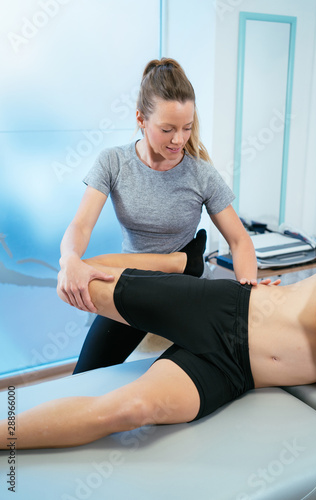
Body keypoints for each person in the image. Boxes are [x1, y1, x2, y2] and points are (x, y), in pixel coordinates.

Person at [57, 57, 267, 374]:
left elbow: (239, 240)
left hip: (186, 291)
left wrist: (248, 286)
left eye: (187, 127)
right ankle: (184, 261)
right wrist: (70, 259)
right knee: (85, 375)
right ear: (141, 119)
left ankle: (185, 264)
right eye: (167, 129)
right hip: (134, 285)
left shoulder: (201, 173)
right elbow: (80, 225)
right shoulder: (113, 162)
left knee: (206, 370)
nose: (179, 140)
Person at [1, 252, 316, 450]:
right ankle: (178, 261)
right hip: (224, 310)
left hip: (235, 372)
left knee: (129, 411)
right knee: (76, 284)